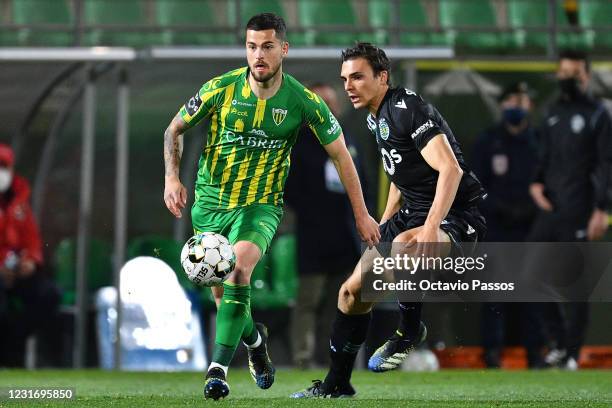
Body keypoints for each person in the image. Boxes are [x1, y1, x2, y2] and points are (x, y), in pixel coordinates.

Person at [162, 14, 380, 400]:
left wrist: (362, 214)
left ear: (283, 48)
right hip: (210, 206)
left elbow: (343, 156)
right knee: (226, 299)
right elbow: (174, 128)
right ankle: (256, 342)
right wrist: (172, 178)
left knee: (238, 272)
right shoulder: (220, 89)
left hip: (260, 207)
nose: (257, 55)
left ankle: (217, 370)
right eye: (251, 46)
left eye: (266, 46)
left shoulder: (303, 101)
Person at [291, 43, 487, 398]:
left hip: (455, 216)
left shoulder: (407, 108)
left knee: (403, 247)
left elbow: (451, 169)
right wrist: (384, 221)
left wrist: (429, 228)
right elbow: (401, 173)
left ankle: (409, 331)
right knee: (350, 294)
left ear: (383, 77)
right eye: (345, 79)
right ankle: (336, 385)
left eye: (358, 77)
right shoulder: (374, 116)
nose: (349, 85)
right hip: (412, 214)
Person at [527, 50, 612, 369]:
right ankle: (559, 342)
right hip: (550, 208)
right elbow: (543, 157)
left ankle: (572, 353)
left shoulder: (597, 113)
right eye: (563, 73)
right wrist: (536, 185)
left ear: (586, 77)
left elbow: (606, 163)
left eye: (574, 74)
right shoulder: (550, 112)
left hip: (581, 207)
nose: (568, 79)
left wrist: (601, 209)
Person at [285, 83, 365, 369]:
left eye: (330, 102)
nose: (327, 107)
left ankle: (336, 357)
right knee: (308, 301)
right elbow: (289, 189)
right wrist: (312, 211)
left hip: (345, 235)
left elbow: (362, 183)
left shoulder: (349, 141)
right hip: (313, 237)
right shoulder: (300, 143)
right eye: (320, 102)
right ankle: (303, 359)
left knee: (342, 300)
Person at [471, 82, 542, 368]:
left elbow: (551, 182)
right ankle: (492, 354)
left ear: (530, 106)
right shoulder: (488, 141)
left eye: (521, 100)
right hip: (497, 227)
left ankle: (536, 354)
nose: (516, 106)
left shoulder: (540, 141)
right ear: (501, 105)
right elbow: (475, 186)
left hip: (532, 228)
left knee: (533, 294)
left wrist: (532, 209)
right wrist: (498, 208)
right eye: (511, 100)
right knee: (495, 294)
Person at [0, 143, 59, 367]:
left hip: (16, 271)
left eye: (4, 166)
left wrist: (30, 262)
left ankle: (13, 346)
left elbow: (32, 238)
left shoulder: (19, 199)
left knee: (48, 295)